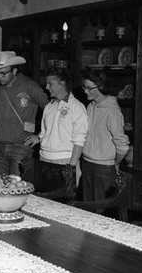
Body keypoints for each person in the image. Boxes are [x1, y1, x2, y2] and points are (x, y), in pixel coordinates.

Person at [25, 67, 87, 201]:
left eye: (50, 84)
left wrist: (71, 167)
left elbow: (79, 140)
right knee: (44, 202)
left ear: (62, 83)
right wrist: (39, 137)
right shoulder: (49, 106)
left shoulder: (77, 107)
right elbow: (46, 129)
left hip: (64, 162)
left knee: (64, 204)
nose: (46, 87)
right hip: (44, 159)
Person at [0, 51, 49, 178]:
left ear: (14, 71)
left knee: (18, 187)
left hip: (21, 146)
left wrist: (40, 136)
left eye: (3, 73)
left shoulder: (30, 86)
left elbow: (51, 109)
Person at [81, 70, 130, 206]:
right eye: (84, 87)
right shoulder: (91, 106)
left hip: (103, 168)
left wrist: (114, 163)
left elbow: (122, 145)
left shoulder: (112, 111)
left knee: (101, 211)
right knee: (86, 210)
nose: (85, 91)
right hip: (87, 164)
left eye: (89, 88)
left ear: (101, 87)